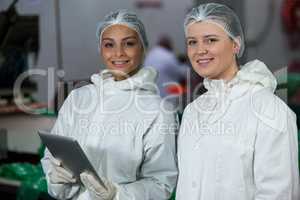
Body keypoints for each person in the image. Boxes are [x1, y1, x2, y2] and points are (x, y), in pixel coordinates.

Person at [41, 9, 178, 200]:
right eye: (109, 45)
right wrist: (56, 177)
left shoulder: (157, 111)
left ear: (143, 47)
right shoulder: (78, 98)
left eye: (129, 43)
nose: (118, 53)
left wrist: (117, 194)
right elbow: (52, 156)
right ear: (101, 49)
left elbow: (161, 184)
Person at [176, 3, 299, 200]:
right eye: (192, 42)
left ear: (236, 44)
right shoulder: (193, 111)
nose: (200, 50)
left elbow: (279, 194)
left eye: (211, 40)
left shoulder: (270, 110)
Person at [144, 35, 186, 102]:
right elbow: (182, 73)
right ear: (168, 44)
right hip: (166, 95)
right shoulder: (168, 56)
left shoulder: (150, 55)